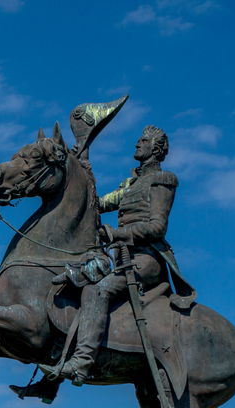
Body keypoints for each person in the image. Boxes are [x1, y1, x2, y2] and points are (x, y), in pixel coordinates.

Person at [58, 125, 196, 386]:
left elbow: (157, 227)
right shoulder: (129, 185)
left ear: (155, 148)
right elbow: (96, 203)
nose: (137, 144)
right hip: (122, 258)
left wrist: (118, 233)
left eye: (143, 141)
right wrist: (82, 162)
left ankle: (82, 363)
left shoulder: (162, 179)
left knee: (97, 291)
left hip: (147, 259)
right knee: (74, 280)